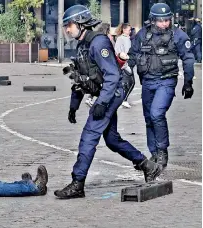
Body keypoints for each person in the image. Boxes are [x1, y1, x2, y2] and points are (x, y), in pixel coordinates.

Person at [54, 5, 163, 200]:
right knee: (112, 140)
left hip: (113, 91)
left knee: (90, 134)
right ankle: (148, 165)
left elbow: (113, 76)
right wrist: (73, 105)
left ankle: (77, 183)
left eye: (69, 25)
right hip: (107, 93)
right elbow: (81, 79)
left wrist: (102, 103)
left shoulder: (98, 43)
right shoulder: (82, 46)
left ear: (80, 23)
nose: (66, 29)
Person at [124, 3, 195, 167]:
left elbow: (188, 59)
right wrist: (125, 71)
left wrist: (188, 81)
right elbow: (133, 55)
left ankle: (162, 151)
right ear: (153, 20)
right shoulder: (143, 34)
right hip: (148, 82)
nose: (164, 23)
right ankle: (154, 153)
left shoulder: (178, 35)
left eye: (167, 20)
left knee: (156, 114)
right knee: (149, 118)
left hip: (166, 81)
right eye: (160, 20)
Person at [115, 23, 134, 108]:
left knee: (128, 82)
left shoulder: (128, 38)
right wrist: (123, 60)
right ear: (124, 29)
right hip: (124, 64)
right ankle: (124, 100)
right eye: (129, 30)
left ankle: (123, 99)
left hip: (129, 62)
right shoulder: (120, 39)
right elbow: (118, 51)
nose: (130, 31)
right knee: (130, 82)